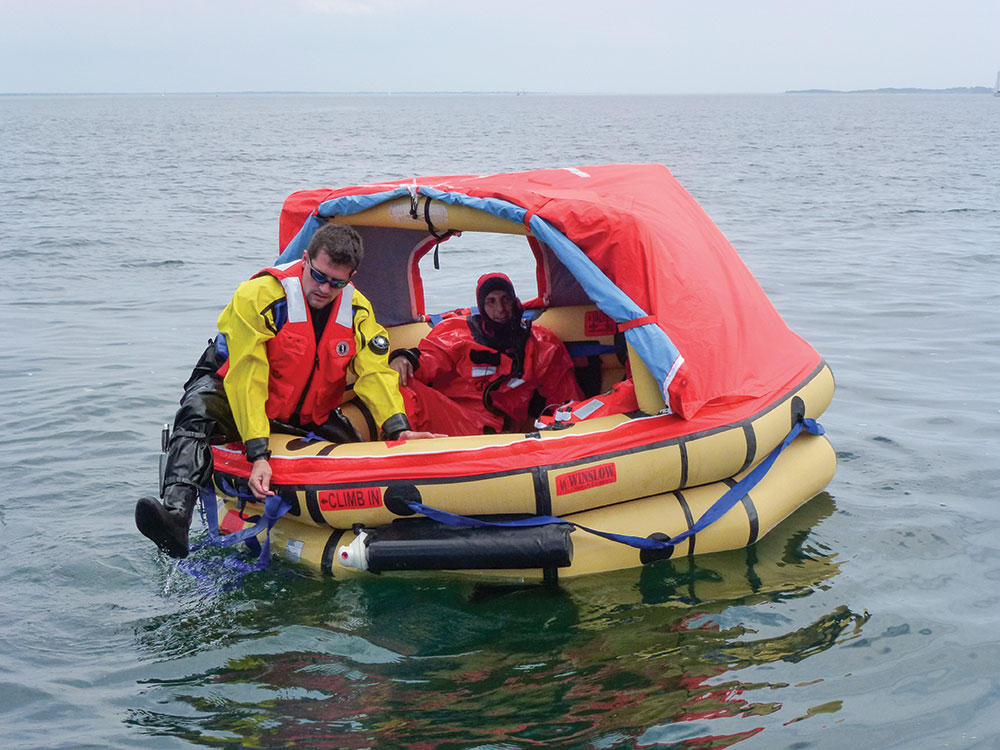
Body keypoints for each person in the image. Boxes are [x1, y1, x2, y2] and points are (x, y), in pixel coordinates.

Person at [136, 223, 439, 559]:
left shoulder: (357, 311)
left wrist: (399, 429)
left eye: (337, 282)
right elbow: (247, 375)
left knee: (355, 451)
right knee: (195, 413)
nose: (325, 288)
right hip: (231, 392)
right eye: (320, 276)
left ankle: (387, 532)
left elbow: (375, 373)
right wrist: (258, 453)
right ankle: (176, 514)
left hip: (305, 411)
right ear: (306, 259)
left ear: (351, 276)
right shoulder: (261, 295)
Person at [390, 273, 583, 436]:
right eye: (491, 301)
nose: (500, 309)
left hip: (500, 432)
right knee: (398, 381)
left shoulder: (541, 344)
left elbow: (565, 397)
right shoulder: (458, 334)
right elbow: (429, 360)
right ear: (482, 306)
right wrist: (405, 357)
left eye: (505, 299)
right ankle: (404, 446)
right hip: (456, 421)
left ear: (515, 301)